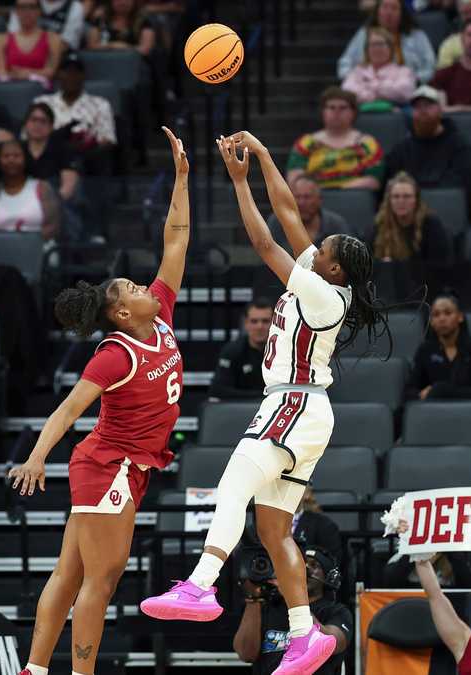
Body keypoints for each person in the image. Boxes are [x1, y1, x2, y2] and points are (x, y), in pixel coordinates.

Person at [143, 130, 393, 675]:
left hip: (294, 404)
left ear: (334, 270)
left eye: (321, 249)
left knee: (233, 482)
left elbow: (265, 242)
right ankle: (305, 634)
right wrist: (260, 155)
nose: (314, 243)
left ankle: (201, 586)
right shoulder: (323, 279)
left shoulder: (323, 293)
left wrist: (238, 183)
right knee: (275, 529)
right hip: (307, 411)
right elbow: (286, 209)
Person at [6, 127, 189, 675]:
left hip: (124, 465)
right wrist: (37, 456)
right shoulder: (114, 354)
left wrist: (181, 178)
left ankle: (35, 670)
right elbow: (67, 411)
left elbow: (175, 240)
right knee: (101, 578)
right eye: (132, 289)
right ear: (121, 314)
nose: (143, 287)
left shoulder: (159, 313)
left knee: (69, 572)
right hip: (109, 466)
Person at [233, 546, 352, 675]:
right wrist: (254, 597)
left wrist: (293, 595)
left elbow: (333, 644)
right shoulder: (268, 607)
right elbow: (246, 654)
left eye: (314, 565)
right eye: (300, 563)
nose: (304, 569)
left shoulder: (336, 611)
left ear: (329, 577)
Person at [383, 86, 471, 206]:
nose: (423, 111)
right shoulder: (402, 149)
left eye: (428, 105)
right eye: (417, 107)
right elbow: (392, 183)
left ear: (440, 110)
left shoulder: (459, 145)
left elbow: (465, 184)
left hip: (447, 207)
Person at [286, 88, 384, 191]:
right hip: (310, 200)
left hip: (352, 198)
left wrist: (338, 190)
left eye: (343, 108)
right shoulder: (305, 143)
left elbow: (373, 181)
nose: (336, 112)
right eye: (331, 107)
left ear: (353, 112)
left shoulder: (368, 144)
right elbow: (294, 179)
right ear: (323, 112)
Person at [34, 52, 117, 173]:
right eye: (66, 71)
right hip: (47, 161)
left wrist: (84, 148)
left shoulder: (100, 104)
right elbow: (28, 137)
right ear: (58, 75)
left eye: (76, 72)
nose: (71, 76)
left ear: (83, 76)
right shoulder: (42, 102)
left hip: (87, 163)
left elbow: (108, 140)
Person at [405, 290, 471, 401]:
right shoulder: (425, 350)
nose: (442, 319)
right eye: (436, 314)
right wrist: (420, 395)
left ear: (460, 317)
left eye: (448, 313)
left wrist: (441, 391)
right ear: (432, 322)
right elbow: (409, 391)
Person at [0, 139, 61, 241]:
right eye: (6, 156)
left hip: (39, 250)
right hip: (1, 251)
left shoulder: (42, 188)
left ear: (26, 159)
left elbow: (53, 225)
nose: (11, 160)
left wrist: (27, 244)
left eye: (17, 156)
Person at [337, 0, 436, 83]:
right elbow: (344, 64)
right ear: (377, 11)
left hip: (407, 90)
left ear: (402, 13)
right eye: (384, 7)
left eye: (394, 8)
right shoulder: (364, 34)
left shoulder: (416, 35)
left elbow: (430, 65)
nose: (389, 13)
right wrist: (355, 80)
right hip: (367, 89)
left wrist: (412, 80)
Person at [372, 171, 450, 262]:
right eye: (396, 197)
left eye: (407, 196)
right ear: (389, 201)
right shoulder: (379, 225)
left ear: (416, 200)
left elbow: (440, 265)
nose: (401, 201)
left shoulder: (431, 225)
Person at [208, 299, 274, 401]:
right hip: (241, 412)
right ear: (246, 324)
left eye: (265, 321)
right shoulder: (232, 351)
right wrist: (262, 396)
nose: (259, 326)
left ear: (274, 323)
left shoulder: (285, 352)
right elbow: (217, 390)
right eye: (254, 321)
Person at [340, 27, 417, 111]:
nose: (377, 48)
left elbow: (404, 92)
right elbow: (347, 92)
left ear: (390, 48)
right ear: (367, 49)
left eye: (380, 44)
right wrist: (379, 92)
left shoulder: (404, 71)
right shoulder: (357, 71)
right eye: (373, 45)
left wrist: (370, 87)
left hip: (396, 113)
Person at [268, 176, 355, 249]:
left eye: (307, 197)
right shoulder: (278, 222)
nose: (301, 202)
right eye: (297, 197)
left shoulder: (336, 225)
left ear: (319, 200)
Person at [0, 0, 64, 88]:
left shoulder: (53, 39)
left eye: (32, 7)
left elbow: (51, 72)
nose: (27, 12)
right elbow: (0, 72)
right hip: (10, 90)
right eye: (22, 7)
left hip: (40, 91)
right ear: (16, 11)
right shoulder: (1, 39)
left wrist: (25, 74)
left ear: (39, 11)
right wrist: (33, 73)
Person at [22, 102, 81, 205]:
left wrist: (48, 205)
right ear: (26, 124)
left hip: (57, 205)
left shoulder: (64, 149)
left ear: (51, 127)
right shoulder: (17, 149)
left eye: (43, 121)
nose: (37, 125)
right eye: (34, 120)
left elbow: (68, 188)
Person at [85, 0, 156, 57]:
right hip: (104, 62)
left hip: (133, 65)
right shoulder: (101, 20)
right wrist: (112, 46)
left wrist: (125, 48)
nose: (123, 2)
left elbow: (145, 49)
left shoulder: (143, 22)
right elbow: (91, 46)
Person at [7, 0, 88, 50]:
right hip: (20, 58)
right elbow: (12, 37)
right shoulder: (26, 2)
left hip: (59, 63)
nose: (28, 10)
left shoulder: (75, 7)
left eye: (32, 8)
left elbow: (65, 45)